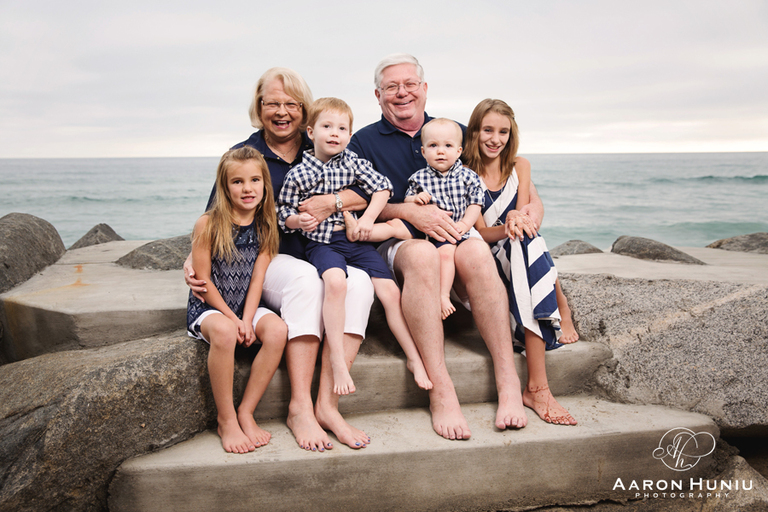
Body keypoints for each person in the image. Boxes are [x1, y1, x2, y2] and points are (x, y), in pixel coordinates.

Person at [185, 68, 375, 451]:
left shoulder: (321, 140)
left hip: (324, 247)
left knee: (360, 283)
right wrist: (191, 261)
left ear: (305, 110)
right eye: (272, 103)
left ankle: (328, 405)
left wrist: (332, 201)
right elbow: (215, 217)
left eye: (291, 104)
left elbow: (367, 191)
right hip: (273, 257)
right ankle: (300, 407)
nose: (282, 112)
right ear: (259, 108)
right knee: (306, 280)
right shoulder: (246, 154)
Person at [348, 53, 533, 439]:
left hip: (455, 232)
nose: (402, 93)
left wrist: (527, 211)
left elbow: (504, 176)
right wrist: (408, 212)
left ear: (425, 89)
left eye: (410, 84)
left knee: (477, 252)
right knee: (421, 255)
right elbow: (356, 201)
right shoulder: (362, 141)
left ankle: (508, 380)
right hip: (399, 236)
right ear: (378, 95)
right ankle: (441, 389)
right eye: (392, 87)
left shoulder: (455, 132)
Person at [278, 97, 432, 394]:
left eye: (342, 129)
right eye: (327, 127)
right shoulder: (298, 173)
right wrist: (298, 220)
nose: (334, 134)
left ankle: (413, 357)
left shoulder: (353, 162)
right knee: (336, 283)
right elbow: (282, 211)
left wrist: (368, 220)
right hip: (322, 243)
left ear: (349, 135)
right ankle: (336, 359)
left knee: (390, 292)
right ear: (311, 132)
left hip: (356, 241)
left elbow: (383, 187)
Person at [464, 98, 577, 425]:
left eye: (503, 131)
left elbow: (527, 218)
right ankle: (539, 384)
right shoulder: (465, 174)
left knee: (528, 239)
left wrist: (518, 220)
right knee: (524, 240)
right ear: (475, 131)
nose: (495, 139)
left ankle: (538, 384)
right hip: (488, 256)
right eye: (487, 130)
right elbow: (480, 234)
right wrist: (509, 224)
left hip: (520, 249)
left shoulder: (521, 166)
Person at [186, 146, 287, 453]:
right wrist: (234, 320)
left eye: (255, 180)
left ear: (265, 184)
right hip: (210, 307)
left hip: (246, 305)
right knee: (226, 332)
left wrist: (248, 318)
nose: (247, 189)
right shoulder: (208, 223)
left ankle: (246, 411)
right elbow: (203, 283)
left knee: (278, 330)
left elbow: (258, 278)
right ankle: (226, 419)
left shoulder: (266, 223)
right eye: (238, 182)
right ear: (224, 186)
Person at [343, 117, 483, 320]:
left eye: (448, 146)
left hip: (450, 229)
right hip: (421, 226)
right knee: (393, 226)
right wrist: (416, 198)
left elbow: (475, 204)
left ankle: (443, 296)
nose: (441, 151)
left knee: (445, 254)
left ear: (459, 151)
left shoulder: (468, 176)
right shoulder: (419, 177)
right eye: (433, 146)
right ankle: (358, 231)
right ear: (424, 152)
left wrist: (464, 224)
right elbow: (408, 198)